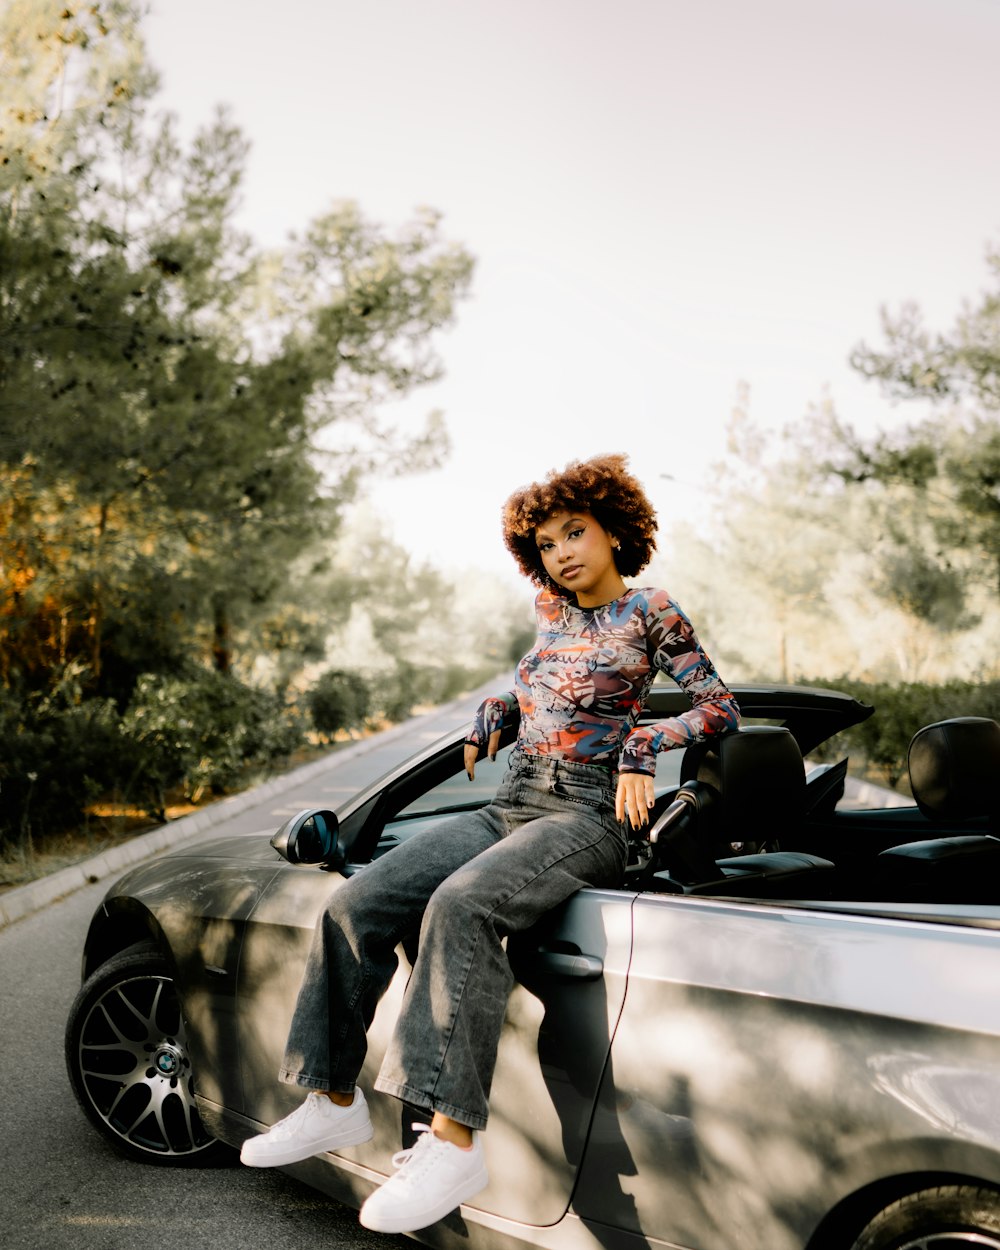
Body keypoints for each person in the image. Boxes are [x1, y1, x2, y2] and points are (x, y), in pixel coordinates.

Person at [240, 453, 740, 1234]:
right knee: (355, 902)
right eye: (545, 543)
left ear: (615, 531)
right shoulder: (552, 615)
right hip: (512, 800)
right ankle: (332, 1101)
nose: (562, 552)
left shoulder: (652, 611)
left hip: (586, 815)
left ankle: (451, 1142)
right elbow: (540, 687)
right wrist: (499, 707)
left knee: (462, 906)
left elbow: (718, 708)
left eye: (575, 532)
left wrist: (645, 741)